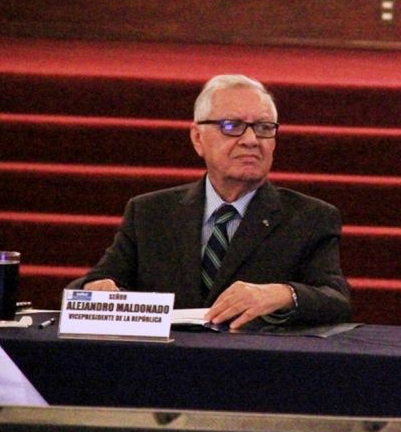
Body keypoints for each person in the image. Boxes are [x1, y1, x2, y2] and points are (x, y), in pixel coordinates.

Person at [76, 74, 351, 330]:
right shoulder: (149, 212)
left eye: (264, 128)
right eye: (232, 126)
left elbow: (336, 301)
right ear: (198, 138)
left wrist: (283, 294)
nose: (251, 140)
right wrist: (97, 287)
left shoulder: (310, 217)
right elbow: (95, 282)